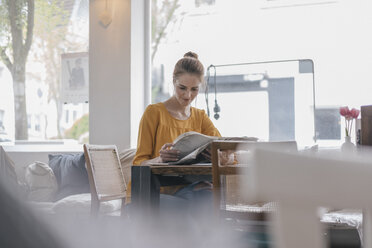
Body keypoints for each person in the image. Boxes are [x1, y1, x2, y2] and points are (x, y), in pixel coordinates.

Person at [133, 51, 221, 166]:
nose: (188, 96)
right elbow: (138, 163)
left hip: (191, 181)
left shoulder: (200, 117)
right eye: (182, 88)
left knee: (209, 184)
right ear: (174, 81)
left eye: (194, 89)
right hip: (159, 183)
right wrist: (159, 160)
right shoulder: (154, 113)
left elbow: (225, 150)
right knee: (206, 185)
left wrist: (218, 157)